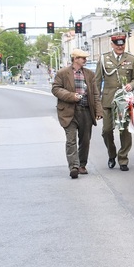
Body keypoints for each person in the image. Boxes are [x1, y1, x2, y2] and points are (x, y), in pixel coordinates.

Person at [52, 49, 101, 179]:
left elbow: (95, 93)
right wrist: (71, 96)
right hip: (69, 111)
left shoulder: (89, 74)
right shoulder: (62, 73)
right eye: (82, 58)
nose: (84, 60)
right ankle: (73, 166)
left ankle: (82, 165)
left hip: (85, 110)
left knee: (85, 140)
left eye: (85, 58)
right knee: (71, 140)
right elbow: (55, 89)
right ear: (75, 59)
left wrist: (98, 110)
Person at [95, 33, 134, 171]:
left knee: (124, 131)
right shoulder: (104, 59)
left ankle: (123, 158)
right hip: (108, 101)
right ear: (112, 45)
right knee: (106, 130)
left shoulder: (131, 59)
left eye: (122, 45)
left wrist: (131, 86)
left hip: (124, 101)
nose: (120, 47)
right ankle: (111, 153)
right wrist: (96, 102)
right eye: (117, 45)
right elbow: (97, 81)